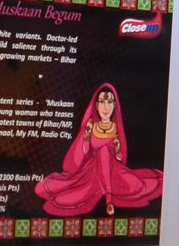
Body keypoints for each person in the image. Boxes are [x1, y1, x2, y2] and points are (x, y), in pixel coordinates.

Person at [33, 84, 162, 217]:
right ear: (96, 105)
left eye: (109, 102)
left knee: (108, 156)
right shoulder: (92, 127)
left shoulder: (116, 129)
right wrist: (87, 135)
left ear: (114, 105)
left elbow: (119, 158)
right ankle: (108, 199)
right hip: (92, 171)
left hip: (114, 171)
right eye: (102, 102)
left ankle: (108, 197)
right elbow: (83, 153)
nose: (106, 107)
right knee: (101, 154)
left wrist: (117, 147)